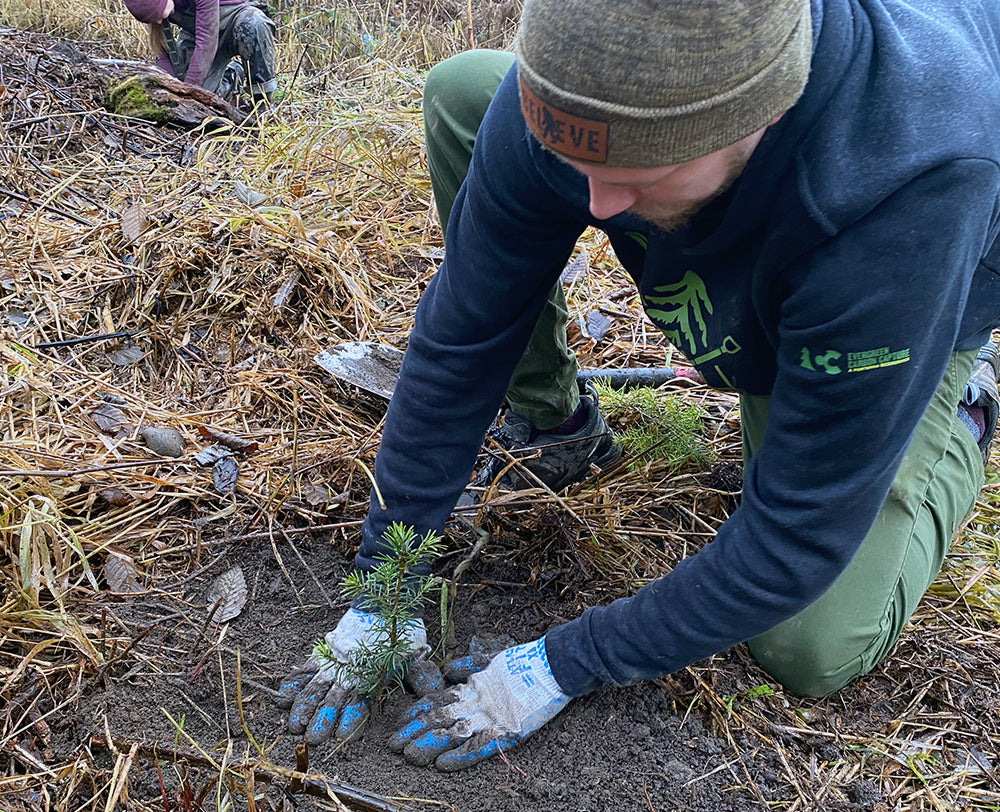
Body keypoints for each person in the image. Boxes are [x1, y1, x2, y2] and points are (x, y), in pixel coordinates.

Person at [277, 0, 1000, 770]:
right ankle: (559, 423)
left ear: (756, 115)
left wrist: (557, 667)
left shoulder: (907, 181)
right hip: (760, 204)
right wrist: (384, 591)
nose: (595, 208)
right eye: (578, 164)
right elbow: (460, 346)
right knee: (468, 93)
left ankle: (961, 409)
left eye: (634, 176)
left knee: (812, 645)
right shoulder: (585, 91)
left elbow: (796, 537)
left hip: (906, 284)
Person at [123, 0, 277, 106]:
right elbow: (162, 49)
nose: (157, 21)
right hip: (196, 35)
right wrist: (168, 85)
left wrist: (189, 92)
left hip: (234, 21)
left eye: (156, 15)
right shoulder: (156, 10)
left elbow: (206, 41)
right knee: (206, 100)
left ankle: (262, 102)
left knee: (256, 24)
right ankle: (233, 75)